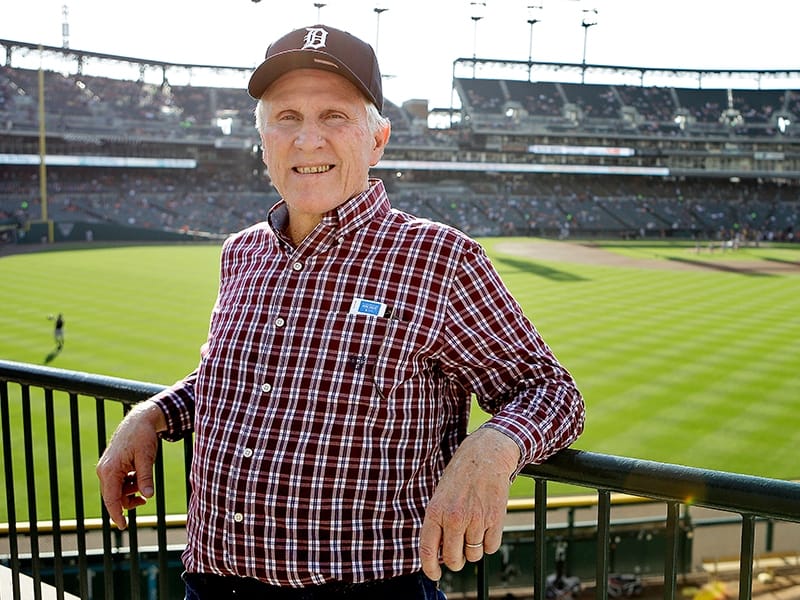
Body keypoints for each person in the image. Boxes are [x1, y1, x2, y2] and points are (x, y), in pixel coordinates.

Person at [96, 24, 585, 600]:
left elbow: (551, 391)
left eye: (334, 116)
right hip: (212, 584)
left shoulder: (439, 259)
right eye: (286, 118)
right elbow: (240, 382)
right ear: (263, 140)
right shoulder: (242, 253)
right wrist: (152, 414)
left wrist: (495, 447)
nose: (307, 140)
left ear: (377, 138)